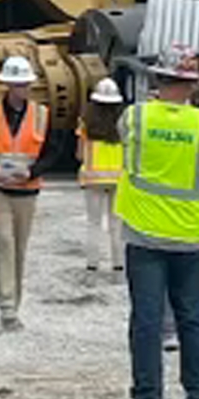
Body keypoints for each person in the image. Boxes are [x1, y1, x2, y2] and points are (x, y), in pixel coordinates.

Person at [114, 51, 199, 399]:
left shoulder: (134, 117)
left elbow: (125, 146)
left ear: (157, 79)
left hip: (144, 235)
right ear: (193, 84)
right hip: (192, 239)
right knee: (192, 322)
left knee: (147, 323)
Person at [0, 54, 53, 332]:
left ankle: (14, 305)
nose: (23, 89)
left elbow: (52, 151)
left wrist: (32, 172)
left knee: (19, 248)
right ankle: (6, 307)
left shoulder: (41, 115)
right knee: (5, 241)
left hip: (27, 191)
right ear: (8, 85)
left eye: (26, 84)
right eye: (18, 84)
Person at [77, 77, 126, 272]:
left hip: (93, 178)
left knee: (93, 222)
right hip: (118, 179)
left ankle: (92, 263)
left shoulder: (85, 123)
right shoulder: (124, 123)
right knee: (117, 223)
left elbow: (79, 154)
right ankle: (118, 263)